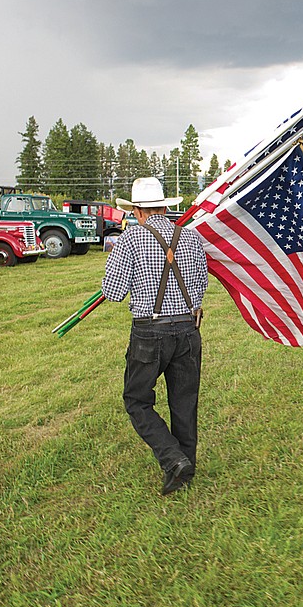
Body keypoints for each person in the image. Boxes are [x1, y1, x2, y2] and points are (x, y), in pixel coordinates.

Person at [102, 177, 208, 495]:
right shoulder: (190, 237)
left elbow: (113, 292)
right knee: (184, 403)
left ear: (137, 211)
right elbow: (201, 284)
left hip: (150, 332)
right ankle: (184, 468)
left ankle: (173, 459)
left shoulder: (130, 239)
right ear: (164, 206)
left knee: (136, 401)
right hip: (188, 330)